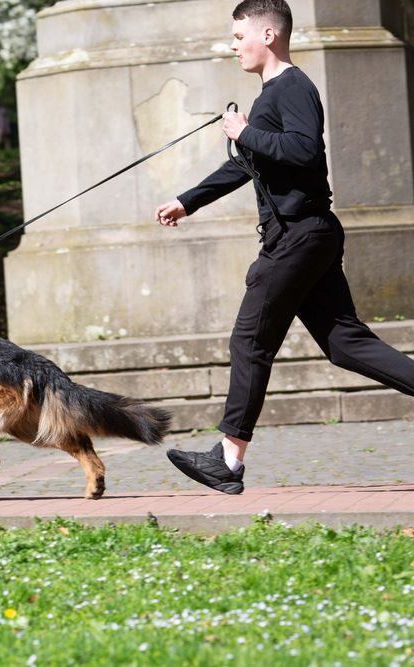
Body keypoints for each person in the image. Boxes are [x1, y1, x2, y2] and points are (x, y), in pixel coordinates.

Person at [153, 0, 414, 494]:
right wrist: (187, 201)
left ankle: (228, 459)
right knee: (344, 344)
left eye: (238, 37)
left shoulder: (292, 86)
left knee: (250, 340)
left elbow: (305, 150)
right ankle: (227, 458)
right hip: (305, 235)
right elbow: (248, 165)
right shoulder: (274, 92)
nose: (232, 46)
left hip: (298, 237)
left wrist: (244, 131)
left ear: (268, 34)